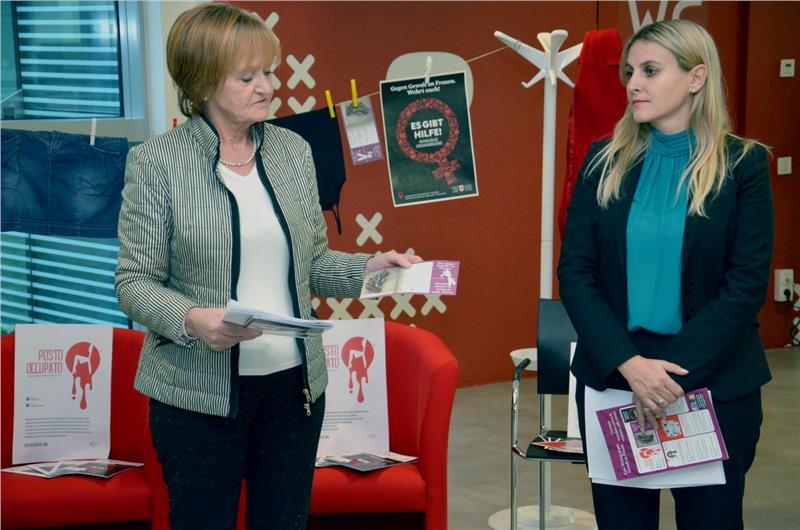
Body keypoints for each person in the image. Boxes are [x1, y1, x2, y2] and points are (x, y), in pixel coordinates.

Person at [114, 4, 421, 529]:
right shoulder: (158, 162)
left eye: (269, 72)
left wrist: (373, 267)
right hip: (197, 395)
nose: (267, 87)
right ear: (203, 82)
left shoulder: (292, 151)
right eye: (247, 76)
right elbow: (134, 281)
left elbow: (314, 265)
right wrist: (193, 320)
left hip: (293, 392)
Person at [557, 19, 772, 530]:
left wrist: (665, 376)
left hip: (712, 382)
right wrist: (631, 364)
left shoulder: (743, 165)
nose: (633, 83)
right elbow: (576, 273)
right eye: (630, 72)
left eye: (650, 71)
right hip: (616, 380)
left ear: (696, 78)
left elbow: (745, 285)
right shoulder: (602, 161)